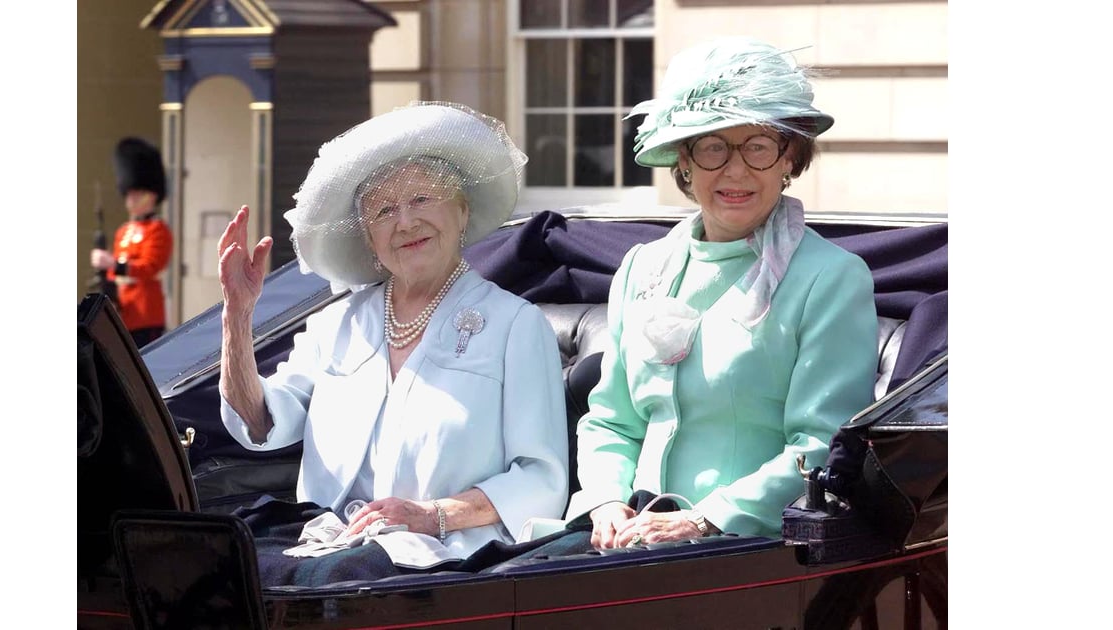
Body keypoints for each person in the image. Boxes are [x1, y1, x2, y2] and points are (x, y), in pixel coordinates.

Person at [217, 102, 569, 585]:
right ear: (369, 238)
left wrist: (429, 515)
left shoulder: (515, 325)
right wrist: (237, 317)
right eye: (384, 210)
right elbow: (259, 424)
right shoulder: (337, 323)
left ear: (462, 211)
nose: (405, 222)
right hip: (326, 543)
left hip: (445, 559)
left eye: (422, 199)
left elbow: (541, 480)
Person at [564, 37, 880, 548]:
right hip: (626, 539)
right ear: (684, 163)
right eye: (713, 147)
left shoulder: (831, 277)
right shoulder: (641, 268)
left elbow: (820, 444)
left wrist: (705, 519)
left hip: (747, 547)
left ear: (790, 159)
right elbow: (611, 421)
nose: (735, 170)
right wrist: (604, 502)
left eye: (758, 146)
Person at [90, 137, 173, 348]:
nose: (131, 200)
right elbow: (113, 274)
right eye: (130, 195)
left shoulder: (158, 230)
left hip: (146, 314)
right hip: (122, 313)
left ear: (152, 196)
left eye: (137, 195)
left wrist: (112, 264)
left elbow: (149, 266)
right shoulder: (123, 231)